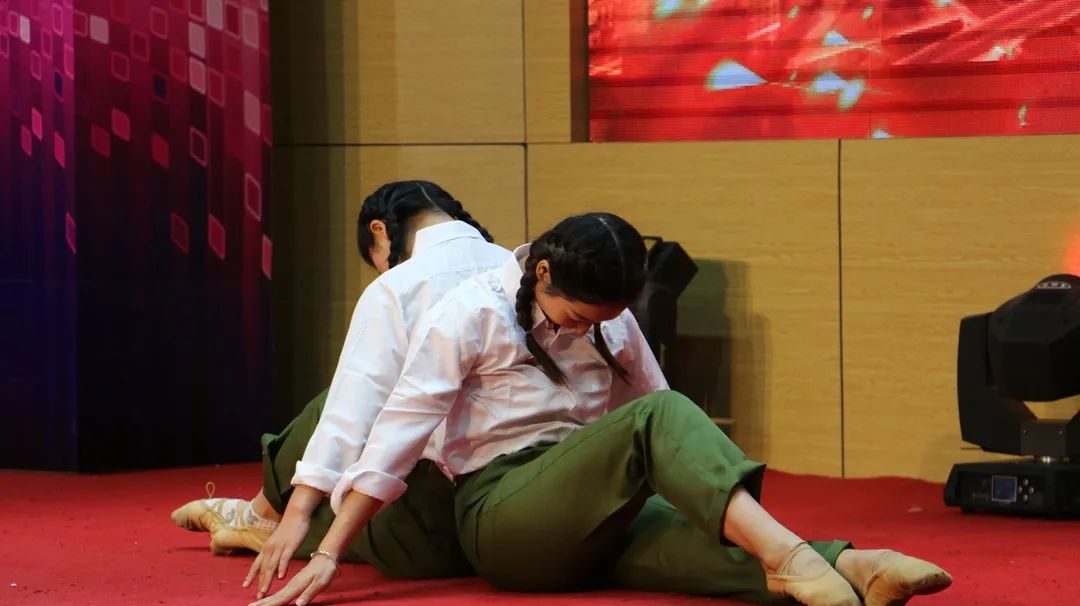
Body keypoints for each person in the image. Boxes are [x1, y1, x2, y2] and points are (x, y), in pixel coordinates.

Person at [251, 212, 952, 606]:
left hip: (581, 498)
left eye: (604, 321)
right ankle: (792, 554)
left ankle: (847, 567)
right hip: (503, 517)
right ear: (543, 273)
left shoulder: (612, 322)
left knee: (676, 530)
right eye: (579, 317)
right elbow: (397, 434)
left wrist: (698, 500)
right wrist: (329, 549)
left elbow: (659, 413)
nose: (591, 330)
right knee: (659, 416)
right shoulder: (469, 315)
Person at [171, 180, 511, 593]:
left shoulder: (398, 286)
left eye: (377, 260)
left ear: (379, 230)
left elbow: (351, 411)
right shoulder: (515, 267)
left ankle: (261, 516)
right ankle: (262, 517)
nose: (382, 270)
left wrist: (299, 511)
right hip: (514, 497)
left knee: (333, 406)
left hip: (430, 521)